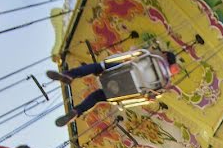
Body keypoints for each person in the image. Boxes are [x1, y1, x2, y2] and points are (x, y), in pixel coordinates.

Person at [48, 51, 179, 126]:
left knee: (98, 67)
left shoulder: (153, 56)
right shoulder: (165, 81)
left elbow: (133, 55)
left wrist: (110, 61)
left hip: (124, 72)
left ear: (165, 55)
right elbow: (151, 97)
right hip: (129, 90)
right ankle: (76, 112)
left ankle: (69, 75)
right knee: (97, 97)